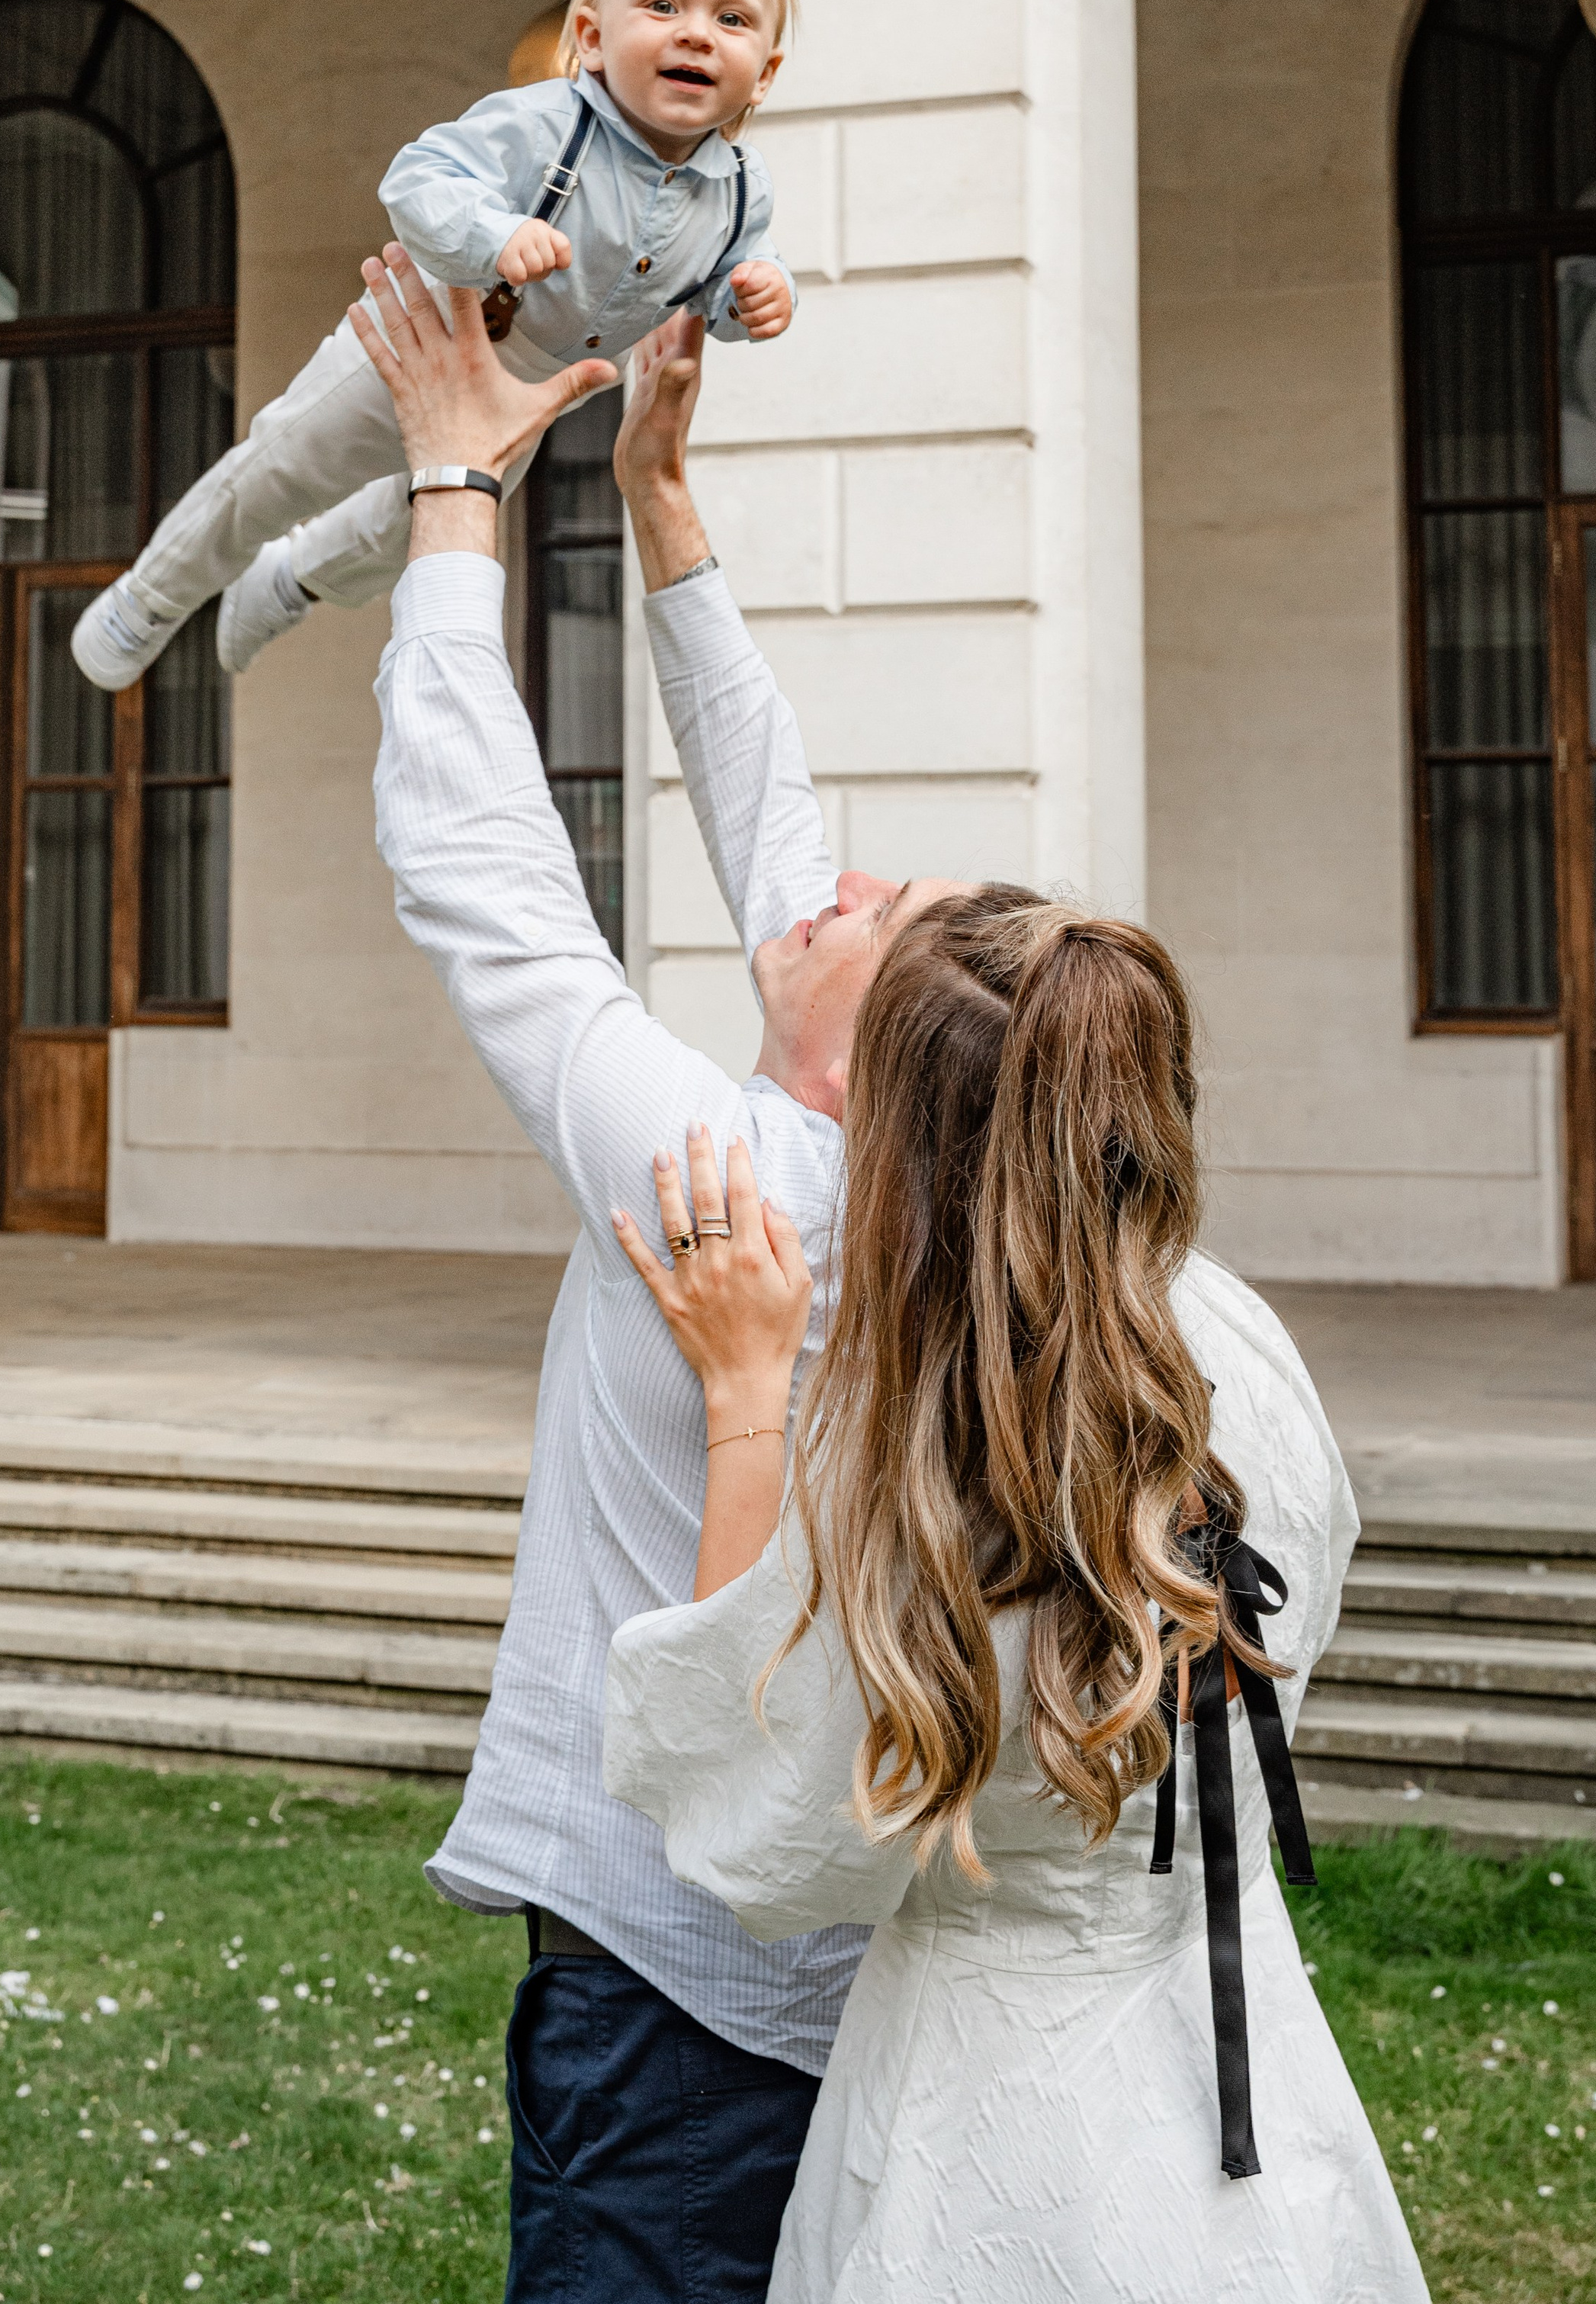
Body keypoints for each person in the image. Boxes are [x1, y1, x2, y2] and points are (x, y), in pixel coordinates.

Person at [358, 246, 957, 2300]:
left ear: (883, 1035)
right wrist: (666, 504)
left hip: (678, 1996)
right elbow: (776, 816)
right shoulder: (921, 1173)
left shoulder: (735, 1178)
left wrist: (456, 492)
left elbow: (488, 881)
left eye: (898, 906)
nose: (843, 879)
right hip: (838, 1982)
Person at [601, 924, 1433, 2299]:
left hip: (985, 2116)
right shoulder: (1245, 1352)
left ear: (902, 1155)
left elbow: (766, 1831)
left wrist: (748, 1401)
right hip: (1248, 2070)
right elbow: (1298, 1621)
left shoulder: (916, 1455)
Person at [71, 0, 796, 692]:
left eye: (730, 18)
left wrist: (758, 295)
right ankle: (152, 596)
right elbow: (418, 180)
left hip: (522, 393)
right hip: (419, 341)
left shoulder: (740, 190)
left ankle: (293, 577)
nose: (696, 33)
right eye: (663, 6)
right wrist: (496, 236)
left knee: (412, 529)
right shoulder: (544, 123)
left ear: (763, 73)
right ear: (590, 39)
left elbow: (734, 278)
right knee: (278, 472)